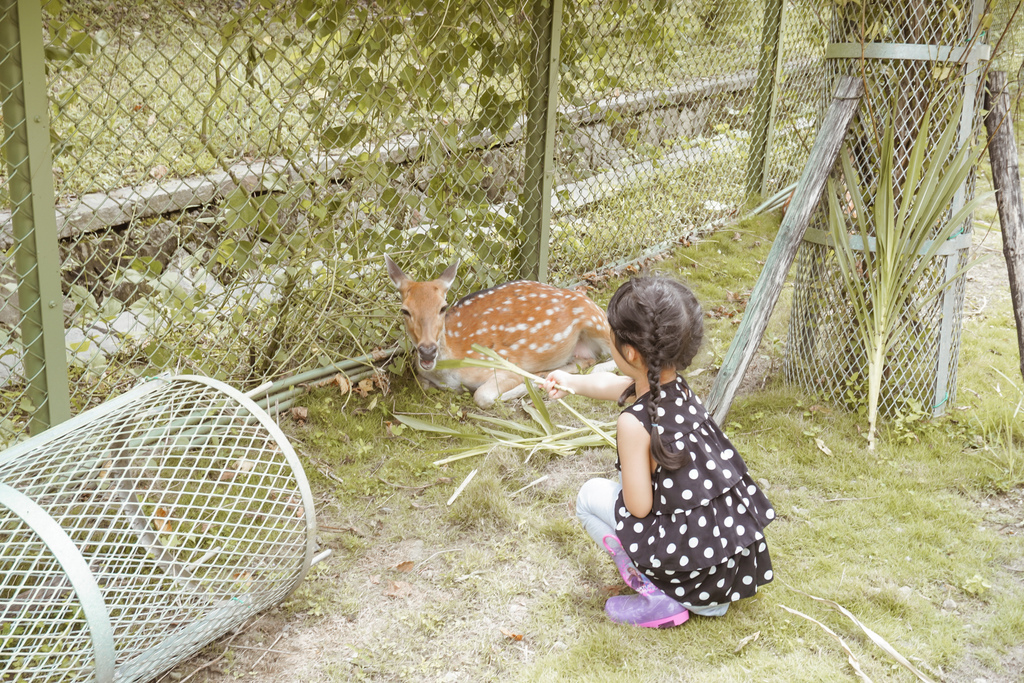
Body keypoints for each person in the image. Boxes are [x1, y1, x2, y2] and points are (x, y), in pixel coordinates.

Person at [542, 276, 775, 628]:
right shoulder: (677, 390)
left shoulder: (635, 425)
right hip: (722, 584)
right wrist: (570, 382)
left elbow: (638, 508)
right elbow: (616, 386)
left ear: (631, 352)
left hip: (689, 585)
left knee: (591, 497)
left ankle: (656, 592)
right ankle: (683, 588)